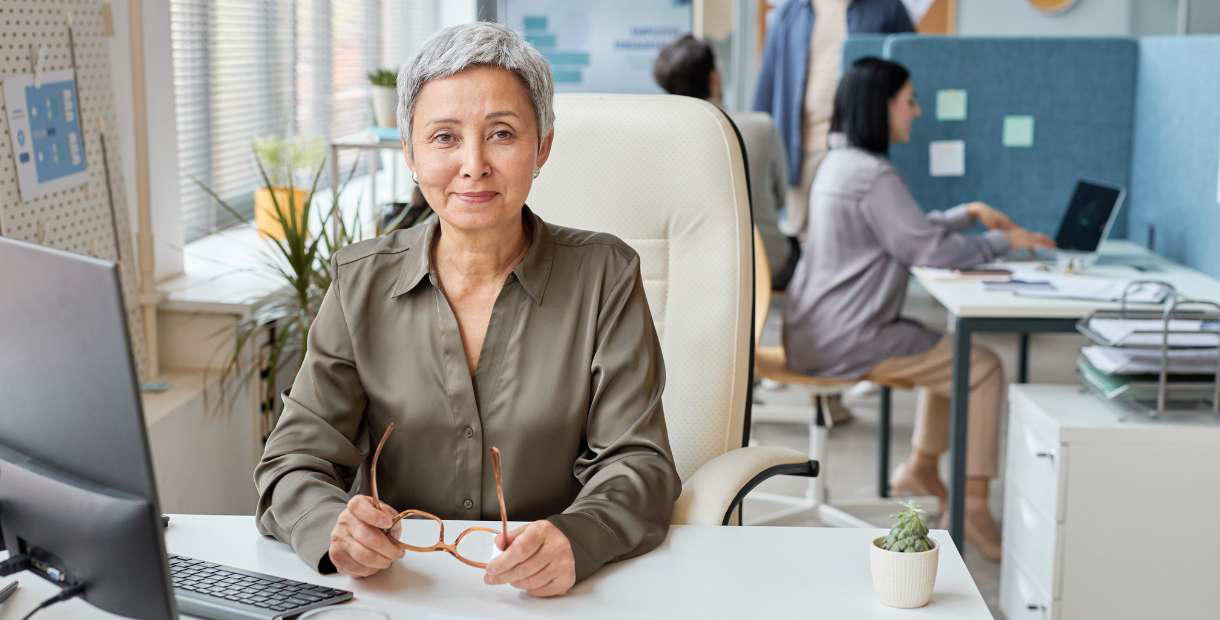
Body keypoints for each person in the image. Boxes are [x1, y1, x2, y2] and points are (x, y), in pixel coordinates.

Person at [254, 22, 681, 597]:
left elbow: (641, 464)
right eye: (444, 138)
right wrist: (333, 526)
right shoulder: (360, 283)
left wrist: (579, 537)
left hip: (556, 598)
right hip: (401, 591)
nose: (474, 164)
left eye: (502, 134)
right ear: (409, 152)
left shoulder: (605, 275)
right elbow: (293, 462)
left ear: (543, 147)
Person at [782, 57, 1054, 561]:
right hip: (849, 336)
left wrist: (965, 214)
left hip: (820, 328)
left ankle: (922, 466)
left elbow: (905, 229)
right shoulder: (873, 174)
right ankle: (973, 506)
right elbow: (928, 250)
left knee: (952, 354)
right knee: (982, 366)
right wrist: (1002, 240)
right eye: (909, 100)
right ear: (881, 106)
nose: (917, 110)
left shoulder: (839, 164)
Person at [754, 0, 914, 254]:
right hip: (804, 145)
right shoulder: (792, 11)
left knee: (855, 238)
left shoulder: (887, 8)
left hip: (860, 145)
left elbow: (909, 68)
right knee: (804, 239)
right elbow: (768, 82)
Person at [652, 34, 791, 287]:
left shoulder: (660, 140)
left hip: (695, 268)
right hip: (765, 265)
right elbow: (781, 199)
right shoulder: (761, 127)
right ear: (714, 79)